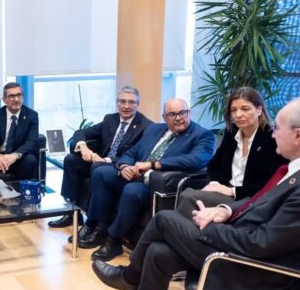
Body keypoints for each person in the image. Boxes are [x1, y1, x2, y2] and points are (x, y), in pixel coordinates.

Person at [91, 98, 300, 290]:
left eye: (277, 128)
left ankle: (130, 278)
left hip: (257, 276)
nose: (273, 134)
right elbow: (261, 201)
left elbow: (260, 244)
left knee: (163, 220)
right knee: (160, 252)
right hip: (245, 248)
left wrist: (208, 228)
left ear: (298, 136)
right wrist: (224, 210)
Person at [170, 87, 287, 290]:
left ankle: (187, 271)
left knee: (189, 197)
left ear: (259, 109)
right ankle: (191, 273)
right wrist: (217, 183)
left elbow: (268, 184)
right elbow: (214, 166)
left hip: (250, 199)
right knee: (193, 199)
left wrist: (231, 191)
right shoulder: (232, 133)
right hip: (222, 193)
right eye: (234, 110)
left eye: (245, 109)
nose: (239, 115)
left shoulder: (271, 139)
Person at [80, 98, 214, 261]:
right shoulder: (155, 129)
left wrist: (154, 164)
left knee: (132, 190)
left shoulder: (202, 135)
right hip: (135, 174)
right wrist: (124, 167)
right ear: (164, 117)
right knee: (100, 172)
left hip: (155, 183)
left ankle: (114, 240)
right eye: (172, 114)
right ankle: (99, 227)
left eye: (182, 113)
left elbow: (197, 159)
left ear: (189, 113)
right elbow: (133, 152)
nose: (178, 118)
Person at [49, 85, 153, 229]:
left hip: (120, 167)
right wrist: (84, 147)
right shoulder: (111, 119)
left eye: (131, 102)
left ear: (138, 104)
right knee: (71, 160)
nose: (126, 106)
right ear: (117, 103)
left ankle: (91, 222)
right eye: (122, 101)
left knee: (97, 167)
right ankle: (71, 213)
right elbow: (81, 132)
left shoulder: (146, 126)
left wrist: (106, 160)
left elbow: (136, 155)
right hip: (99, 162)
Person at [0, 82, 40, 182]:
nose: (16, 99)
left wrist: (15, 156)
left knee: (30, 160)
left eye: (19, 95)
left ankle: (21, 190)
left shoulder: (31, 115)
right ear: (4, 100)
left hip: (18, 157)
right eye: (12, 96)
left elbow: (32, 141)